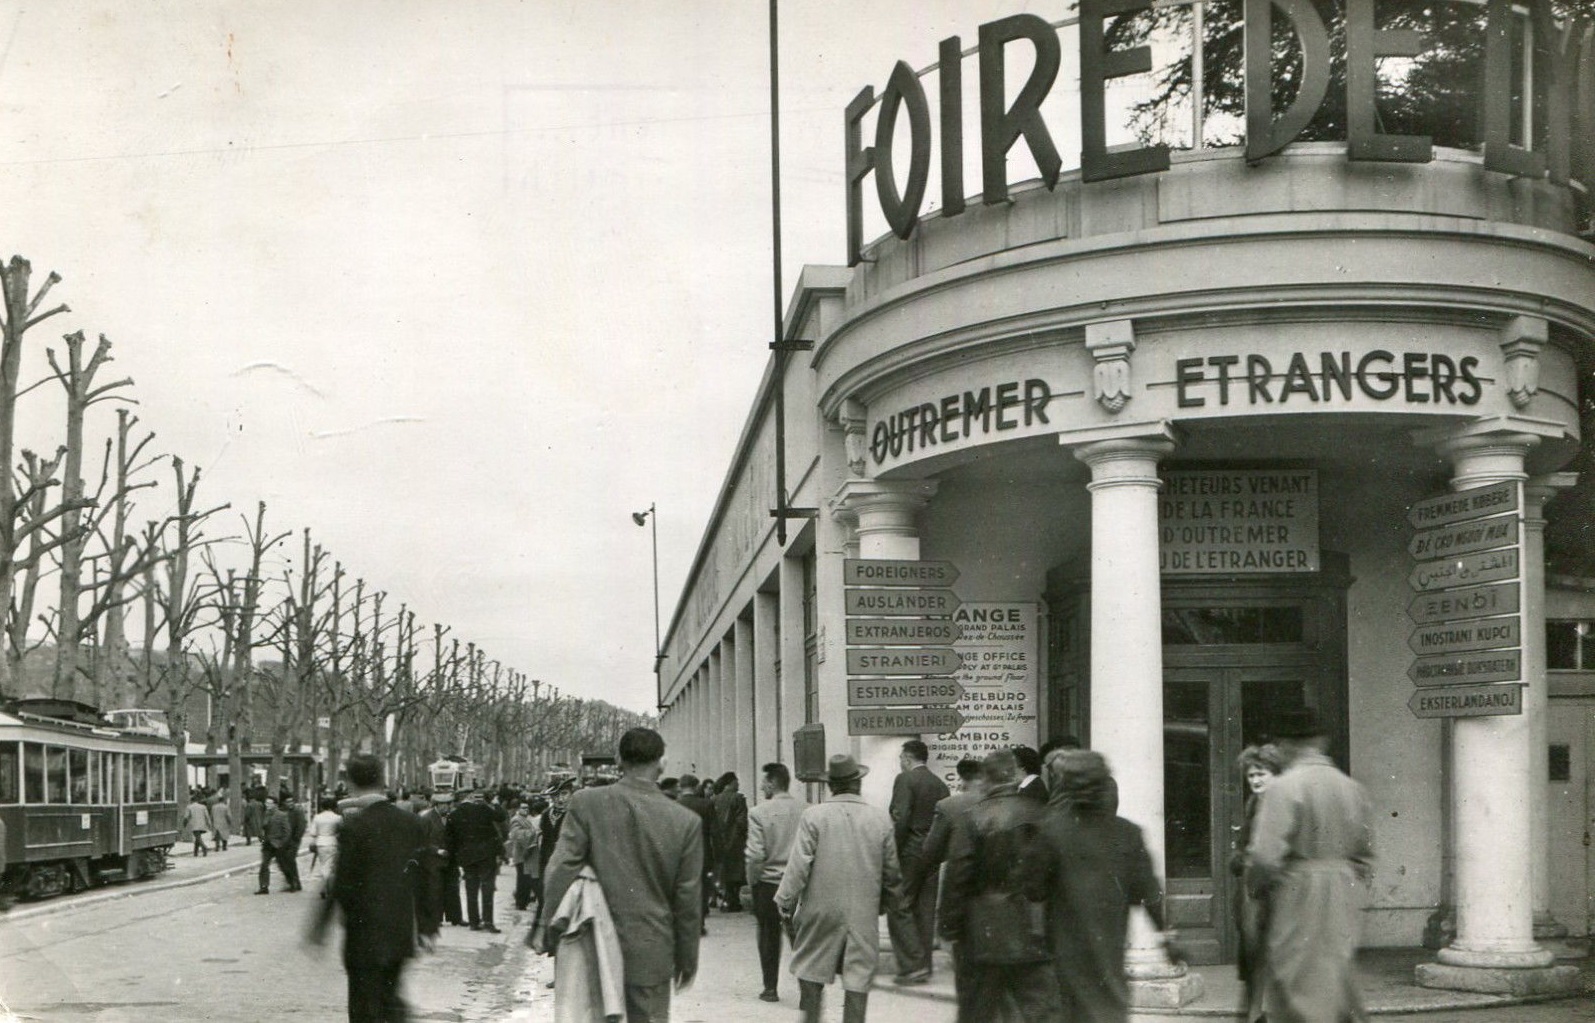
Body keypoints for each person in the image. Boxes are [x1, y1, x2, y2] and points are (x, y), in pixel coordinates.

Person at [541, 727, 702, 1023]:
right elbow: (688, 900)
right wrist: (687, 956)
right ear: (661, 763)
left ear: (618, 759)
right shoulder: (686, 822)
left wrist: (546, 926)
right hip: (651, 950)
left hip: (592, 942)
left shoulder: (586, 802)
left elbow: (562, 866)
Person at [1247, 711, 1373, 1023]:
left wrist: (1257, 891)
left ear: (1288, 744)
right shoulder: (1351, 787)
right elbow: (1366, 852)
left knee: (1296, 981)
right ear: (1320, 742)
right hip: (1343, 889)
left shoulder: (1285, 788)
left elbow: (1265, 856)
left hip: (1298, 889)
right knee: (1334, 976)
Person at [1027, 749, 1169, 1023]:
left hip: (1064, 947)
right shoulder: (1127, 833)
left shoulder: (1051, 831)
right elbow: (1149, 894)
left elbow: (1034, 890)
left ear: (1065, 785)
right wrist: (1165, 937)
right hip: (1110, 947)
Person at [776, 753, 906, 1023]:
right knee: (857, 981)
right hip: (862, 913)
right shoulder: (880, 819)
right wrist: (890, 906)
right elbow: (892, 873)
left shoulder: (813, 816)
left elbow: (799, 865)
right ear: (858, 783)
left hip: (819, 911)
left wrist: (785, 901)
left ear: (830, 785)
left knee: (810, 973)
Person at [308, 753, 437, 1023]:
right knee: (390, 998)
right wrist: (427, 925)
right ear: (383, 780)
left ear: (351, 783)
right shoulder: (411, 823)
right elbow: (425, 878)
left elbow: (342, 882)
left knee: (364, 1006)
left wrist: (320, 926)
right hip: (400, 932)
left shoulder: (355, 826)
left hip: (363, 934)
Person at [940, 749, 1062, 1023]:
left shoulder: (972, 817)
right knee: (1039, 1010)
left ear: (986, 778)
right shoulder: (1042, 814)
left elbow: (958, 873)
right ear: (1013, 775)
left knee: (979, 1009)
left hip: (982, 930)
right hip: (1033, 927)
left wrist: (948, 927)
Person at [887, 738, 948, 984]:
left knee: (899, 906)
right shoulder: (940, 784)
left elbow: (900, 818)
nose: (900, 763)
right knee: (925, 908)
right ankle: (925, 965)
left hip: (910, 851)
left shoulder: (905, 780)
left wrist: (894, 850)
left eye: (901, 758)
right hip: (932, 852)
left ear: (908, 758)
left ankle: (911, 966)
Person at [1232, 744, 1285, 1023]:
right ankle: (1255, 1015)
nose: (1255, 781)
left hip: (1278, 891)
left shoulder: (1286, 805)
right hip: (1253, 890)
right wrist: (1240, 856)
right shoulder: (1254, 803)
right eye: (1251, 776)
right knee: (1254, 959)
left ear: (1276, 773)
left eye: (1261, 774)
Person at [745, 761, 805, 1004]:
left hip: (768, 883)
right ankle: (806, 991)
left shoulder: (759, 813)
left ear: (772, 783)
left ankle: (770, 988)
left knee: (768, 936)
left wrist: (752, 881)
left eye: (763, 782)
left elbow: (755, 855)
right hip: (799, 883)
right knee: (800, 937)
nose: (761, 787)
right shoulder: (807, 809)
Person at [447, 788, 506, 933]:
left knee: (471, 889)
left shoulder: (453, 815)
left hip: (467, 856)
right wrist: (494, 803)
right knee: (487, 888)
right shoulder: (483, 809)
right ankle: (488, 921)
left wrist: (456, 856)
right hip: (486, 855)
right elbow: (501, 817)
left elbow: (450, 839)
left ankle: (474, 922)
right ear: (470, 796)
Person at [675, 772, 717, 934]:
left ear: (681, 787)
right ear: (695, 786)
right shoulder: (706, 805)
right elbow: (715, 831)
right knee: (701, 888)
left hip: (681, 852)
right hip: (702, 850)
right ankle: (699, 923)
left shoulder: (675, 804)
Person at [711, 771, 748, 912]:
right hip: (736, 841)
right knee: (737, 872)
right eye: (736, 781)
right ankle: (733, 900)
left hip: (719, 841)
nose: (738, 784)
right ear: (730, 783)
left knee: (723, 871)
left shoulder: (714, 799)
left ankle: (725, 899)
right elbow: (742, 821)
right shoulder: (738, 798)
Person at [257, 796, 303, 893]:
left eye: (270, 803)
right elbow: (261, 830)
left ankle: (292, 883)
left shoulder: (281, 815)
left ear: (275, 805)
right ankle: (264, 887)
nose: (267, 805)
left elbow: (287, 831)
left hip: (278, 845)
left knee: (284, 866)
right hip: (267, 845)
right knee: (264, 865)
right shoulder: (264, 814)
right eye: (266, 803)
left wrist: (282, 844)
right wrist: (262, 841)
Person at [506, 802, 538, 911]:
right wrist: (533, 832)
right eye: (523, 808)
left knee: (525, 879)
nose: (526, 810)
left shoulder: (526, 819)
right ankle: (520, 902)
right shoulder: (516, 819)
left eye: (527, 808)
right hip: (521, 853)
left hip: (525, 853)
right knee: (522, 879)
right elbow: (516, 834)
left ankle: (523, 900)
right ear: (518, 809)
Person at [309, 796, 343, 897]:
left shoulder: (317, 817)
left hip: (321, 843)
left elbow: (313, 832)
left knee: (323, 864)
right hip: (333, 842)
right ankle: (326, 887)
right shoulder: (338, 818)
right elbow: (342, 830)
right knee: (330, 866)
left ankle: (324, 887)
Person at [183, 793, 212, 857]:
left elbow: (186, 817)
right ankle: (195, 852)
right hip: (202, 825)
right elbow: (207, 816)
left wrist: (184, 824)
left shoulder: (189, 807)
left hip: (194, 825)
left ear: (191, 800)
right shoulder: (203, 807)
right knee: (197, 838)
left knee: (198, 837)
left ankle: (204, 847)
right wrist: (209, 824)